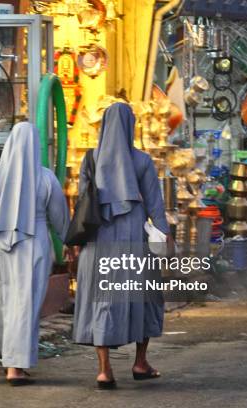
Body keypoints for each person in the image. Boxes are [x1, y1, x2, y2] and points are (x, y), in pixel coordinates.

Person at [0, 122, 70, 386]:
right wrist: (71, 242)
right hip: (34, 245)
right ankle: (15, 367)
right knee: (26, 304)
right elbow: (60, 219)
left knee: (5, 302)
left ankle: (11, 361)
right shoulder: (46, 178)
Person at [72, 102, 171, 389]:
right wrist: (163, 237)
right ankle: (140, 362)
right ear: (130, 127)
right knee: (146, 297)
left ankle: (104, 370)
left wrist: (75, 245)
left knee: (101, 300)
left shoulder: (90, 159)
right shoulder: (141, 161)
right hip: (134, 240)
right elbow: (155, 204)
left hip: (98, 240)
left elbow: (82, 202)